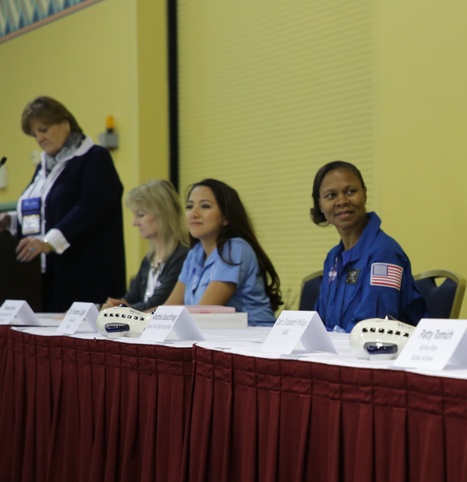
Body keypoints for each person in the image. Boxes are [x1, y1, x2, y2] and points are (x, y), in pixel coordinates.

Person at [1, 96, 125, 311]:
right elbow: (41, 209)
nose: (39, 138)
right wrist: (10, 221)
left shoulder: (94, 158)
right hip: (42, 277)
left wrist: (49, 242)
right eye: (35, 134)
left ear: (66, 124)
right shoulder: (44, 167)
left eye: (44, 129)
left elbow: (89, 208)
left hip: (83, 276)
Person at [310, 161, 425, 331]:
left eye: (350, 191)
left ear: (364, 193)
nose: (342, 201)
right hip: (341, 353)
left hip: (384, 354)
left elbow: (374, 326)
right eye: (331, 195)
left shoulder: (385, 255)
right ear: (320, 205)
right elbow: (319, 323)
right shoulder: (333, 257)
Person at [162, 179, 281, 326]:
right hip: (216, 337)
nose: (194, 213)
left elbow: (203, 312)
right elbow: (169, 308)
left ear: (226, 218)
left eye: (205, 206)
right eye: (189, 206)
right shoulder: (195, 254)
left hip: (255, 338)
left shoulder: (235, 249)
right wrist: (135, 318)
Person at [101, 179, 189, 311]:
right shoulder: (149, 259)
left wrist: (119, 310)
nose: (134, 223)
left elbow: (157, 304)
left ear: (163, 214)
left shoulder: (182, 257)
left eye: (141, 215)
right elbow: (131, 298)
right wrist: (113, 306)